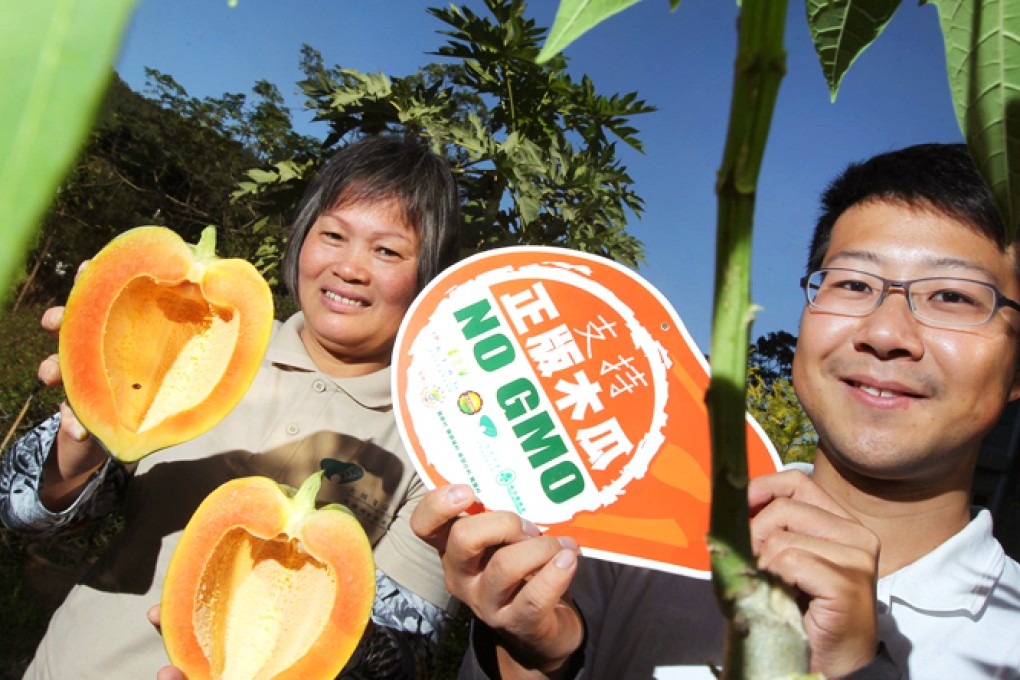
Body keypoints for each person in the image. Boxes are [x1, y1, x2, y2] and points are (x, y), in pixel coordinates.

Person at [410, 142, 1020, 679]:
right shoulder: (642, 531)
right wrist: (537, 657)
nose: (887, 332)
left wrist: (855, 671)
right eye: (855, 284)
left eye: (953, 296)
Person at [0, 133, 462, 679]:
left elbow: (401, 655)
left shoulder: (438, 445)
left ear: (429, 273)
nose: (350, 267)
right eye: (333, 235)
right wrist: (73, 453)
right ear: (301, 240)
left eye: (387, 250)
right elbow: (20, 511)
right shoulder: (211, 340)